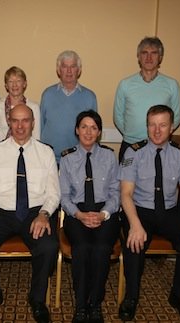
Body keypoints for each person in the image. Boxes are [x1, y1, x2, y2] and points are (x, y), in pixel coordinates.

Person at [0, 104, 60, 323]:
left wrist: (44, 214)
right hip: (0, 213)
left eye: (25, 120)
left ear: (32, 123)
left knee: (48, 246)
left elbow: (54, 192)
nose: (20, 126)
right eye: (15, 120)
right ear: (9, 121)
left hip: (34, 213)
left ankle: (37, 299)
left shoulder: (45, 152)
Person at [118, 105, 180, 322]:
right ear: (147, 127)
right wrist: (135, 224)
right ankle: (131, 297)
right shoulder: (133, 152)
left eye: (162, 125)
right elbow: (125, 194)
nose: (157, 130)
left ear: (172, 127)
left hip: (169, 211)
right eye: (152, 125)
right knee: (133, 243)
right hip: (140, 211)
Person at [59, 110, 120, 323]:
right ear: (77, 130)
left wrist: (103, 214)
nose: (88, 132)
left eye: (93, 127)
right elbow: (64, 196)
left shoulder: (109, 156)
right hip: (76, 212)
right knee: (82, 248)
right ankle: (80, 304)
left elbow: (116, 192)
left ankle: (95, 304)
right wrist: (79, 214)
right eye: (84, 127)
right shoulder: (66, 159)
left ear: (100, 132)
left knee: (102, 249)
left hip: (105, 212)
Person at [114, 36, 180, 161]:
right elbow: (118, 116)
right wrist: (132, 135)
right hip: (130, 146)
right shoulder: (125, 84)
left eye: (154, 53)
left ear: (160, 57)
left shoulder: (172, 85)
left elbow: (176, 117)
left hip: (160, 147)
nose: (149, 58)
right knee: (126, 181)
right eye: (144, 53)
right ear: (139, 57)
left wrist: (159, 136)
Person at [40, 50, 97, 163]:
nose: (69, 71)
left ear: (79, 70)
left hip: (78, 161)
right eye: (65, 66)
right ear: (58, 70)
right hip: (49, 160)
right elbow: (40, 126)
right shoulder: (47, 94)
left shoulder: (90, 97)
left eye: (73, 66)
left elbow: (93, 131)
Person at [0, 66, 40, 145]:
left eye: (18, 81)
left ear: (24, 84)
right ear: (6, 85)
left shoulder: (33, 107)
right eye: (10, 81)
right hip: (1, 151)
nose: (14, 85)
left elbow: (36, 138)